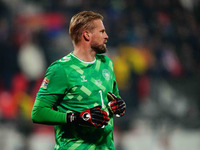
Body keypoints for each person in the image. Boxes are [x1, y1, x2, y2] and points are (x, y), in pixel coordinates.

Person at [31, 11, 126, 150]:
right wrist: (77, 118)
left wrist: (117, 106)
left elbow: (112, 99)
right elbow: (38, 113)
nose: (106, 36)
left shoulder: (107, 64)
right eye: (102, 31)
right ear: (87, 35)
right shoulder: (61, 69)